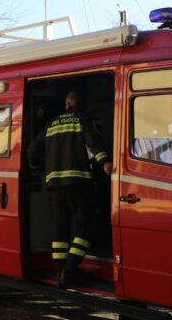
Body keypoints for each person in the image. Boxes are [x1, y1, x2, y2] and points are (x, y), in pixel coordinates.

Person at [27, 92, 112, 288]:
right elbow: (93, 142)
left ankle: (59, 273)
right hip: (78, 182)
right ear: (81, 104)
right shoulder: (83, 119)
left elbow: (32, 151)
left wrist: (36, 167)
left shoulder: (51, 123)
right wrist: (105, 162)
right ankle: (71, 269)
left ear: (67, 103)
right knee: (87, 226)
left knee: (60, 228)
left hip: (54, 185)